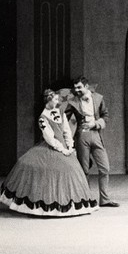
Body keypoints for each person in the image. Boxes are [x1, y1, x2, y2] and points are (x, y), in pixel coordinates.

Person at [0, 90, 98, 216]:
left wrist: (69, 146)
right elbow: (50, 138)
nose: (58, 102)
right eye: (55, 100)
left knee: (72, 169)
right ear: (48, 101)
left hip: (64, 146)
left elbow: (66, 130)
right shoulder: (43, 117)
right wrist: (61, 149)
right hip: (52, 147)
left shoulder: (60, 112)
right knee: (46, 170)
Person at [65, 76, 119, 207]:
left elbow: (105, 115)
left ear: (86, 87)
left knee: (105, 168)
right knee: (84, 170)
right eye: (75, 87)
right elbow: (65, 117)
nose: (76, 90)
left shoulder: (98, 98)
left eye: (79, 87)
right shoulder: (72, 101)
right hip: (82, 136)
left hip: (96, 135)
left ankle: (104, 199)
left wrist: (96, 123)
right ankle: (86, 199)